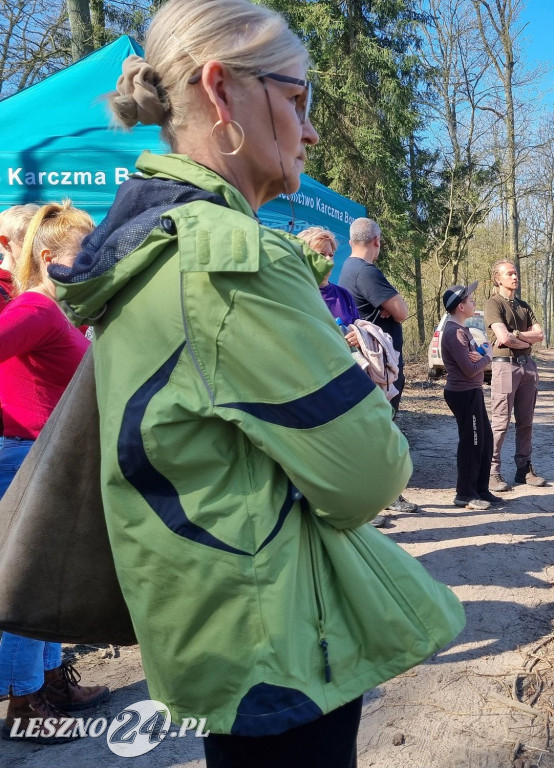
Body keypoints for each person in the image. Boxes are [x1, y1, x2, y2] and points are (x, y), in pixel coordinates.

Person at [51, 1, 464, 764]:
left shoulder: (144, 248)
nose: (311, 131)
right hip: (281, 642)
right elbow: (369, 477)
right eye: (297, 99)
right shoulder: (233, 261)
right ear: (222, 90)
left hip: (207, 626)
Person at [0, 201, 110, 744]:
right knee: (31, 587)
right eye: (82, 257)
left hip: (45, 460)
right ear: (47, 259)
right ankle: (25, 703)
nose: (91, 265)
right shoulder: (35, 311)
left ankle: (49, 683)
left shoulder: (55, 313)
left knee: (51, 582)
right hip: (27, 461)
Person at [337, 216, 418, 516]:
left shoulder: (347, 268)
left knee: (377, 432)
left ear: (349, 242)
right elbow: (402, 311)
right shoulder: (366, 272)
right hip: (378, 371)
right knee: (380, 434)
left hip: (373, 368)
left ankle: (381, 497)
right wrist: (390, 309)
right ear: (377, 242)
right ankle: (380, 499)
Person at [440, 282, 503, 511]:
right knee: (472, 443)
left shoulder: (463, 329)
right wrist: (488, 356)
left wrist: (479, 355)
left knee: (484, 440)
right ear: (460, 307)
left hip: (472, 392)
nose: (473, 302)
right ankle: (465, 494)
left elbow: (472, 358)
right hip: (463, 393)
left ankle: (481, 489)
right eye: (469, 300)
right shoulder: (454, 332)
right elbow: (469, 368)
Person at [483, 260, 546, 491]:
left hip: (527, 366)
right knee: (500, 422)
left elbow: (539, 335)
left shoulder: (524, 306)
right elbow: (503, 337)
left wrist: (516, 334)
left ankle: (523, 469)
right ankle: (492, 472)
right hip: (505, 366)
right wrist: (519, 337)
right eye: (509, 274)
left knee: (526, 421)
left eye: (515, 273)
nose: (514, 276)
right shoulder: (493, 303)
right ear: (498, 279)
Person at [296, 226, 359, 329]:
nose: (329, 259)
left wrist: (357, 336)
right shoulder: (296, 293)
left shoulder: (344, 295)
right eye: (321, 254)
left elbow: (358, 329)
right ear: (305, 257)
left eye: (331, 254)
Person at [0, 205, 40, 312]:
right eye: (30, 243)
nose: (40, 249)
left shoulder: (45, 278)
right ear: (5, 242)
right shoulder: (2, 288)